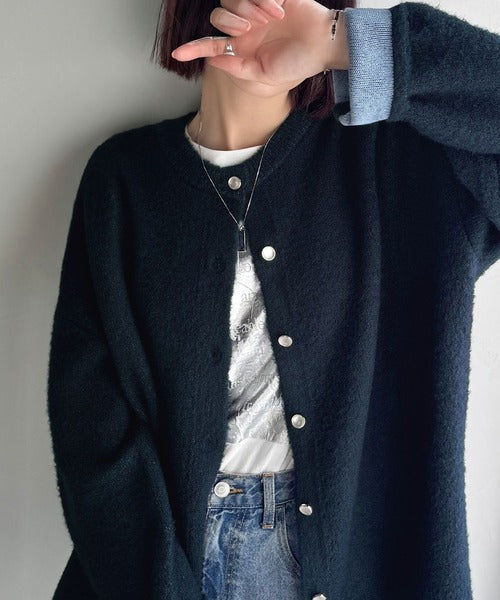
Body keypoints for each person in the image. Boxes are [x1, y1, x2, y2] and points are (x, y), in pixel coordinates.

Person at [47, 1, 500, 599]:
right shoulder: (125, 179)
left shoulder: (401, 164)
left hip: (357, 561)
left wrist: (344, 45)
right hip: (166, 558)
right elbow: (90, 420)